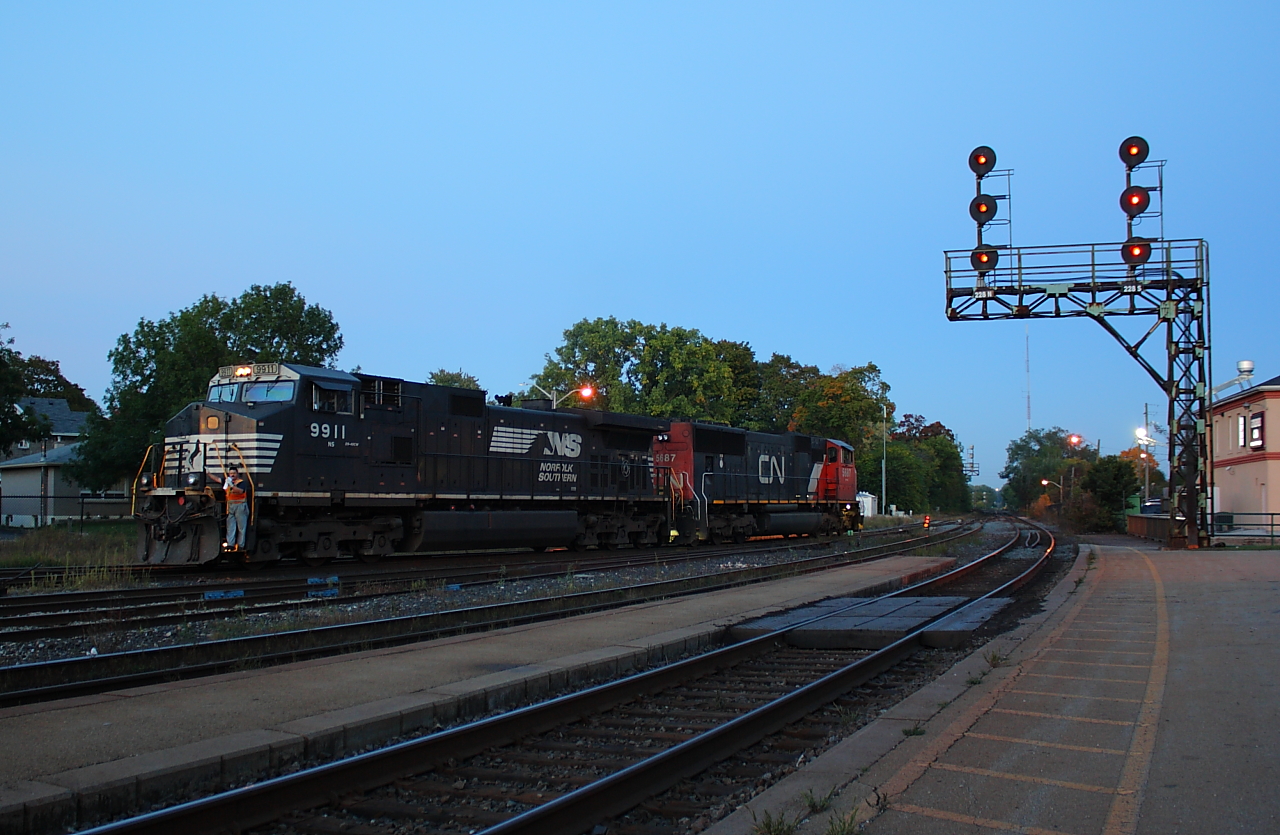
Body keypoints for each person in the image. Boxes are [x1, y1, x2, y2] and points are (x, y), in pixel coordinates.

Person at [223, 466, 249, 550]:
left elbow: (240, 491)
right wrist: (208, 473)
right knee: (230, 526)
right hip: (231, 506)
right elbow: (218, 480)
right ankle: (230, 544)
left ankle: (240, 545)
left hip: (240, 506)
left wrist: (231, 485)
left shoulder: (241, 483)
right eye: (231, 473)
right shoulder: (228, 482)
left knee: (241, 527)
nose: (232, 475)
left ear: (237, 474)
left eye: (234, 473)